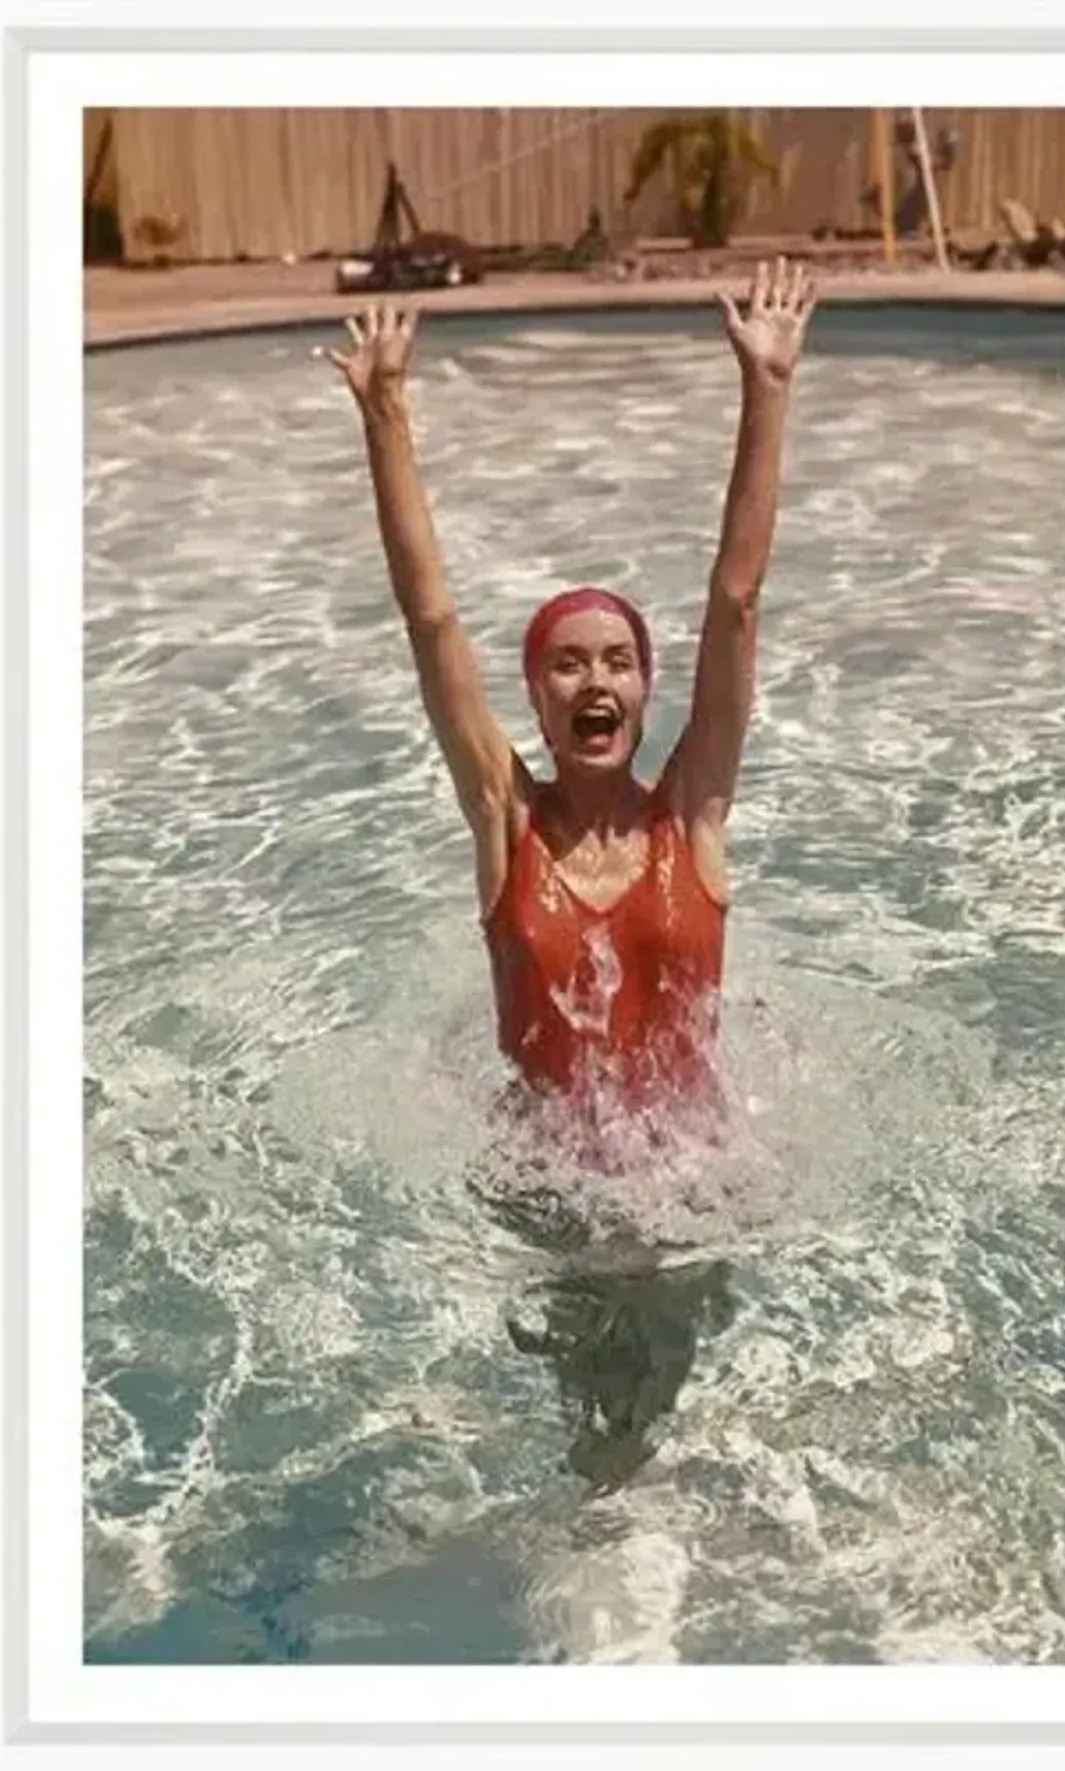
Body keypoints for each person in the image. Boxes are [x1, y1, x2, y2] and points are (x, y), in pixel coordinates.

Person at [325, 258, 816, 1148]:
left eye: (619, 662)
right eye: (569, 666)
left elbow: (736, 598)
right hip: (545, 1215)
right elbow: (432, 619)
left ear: (643, 690)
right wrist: (385, 415)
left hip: (701, 1193)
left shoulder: (692, 812)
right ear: (537, 704)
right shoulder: (503, 822)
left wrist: (769, 388)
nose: (596, 680)